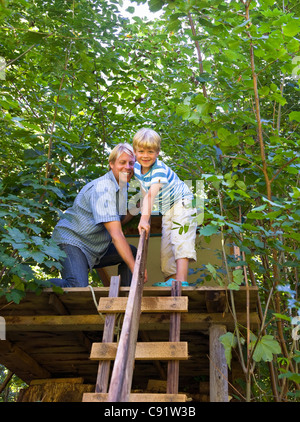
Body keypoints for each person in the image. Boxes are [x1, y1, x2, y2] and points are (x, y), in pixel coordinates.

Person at [49, 143, 141, 288]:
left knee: (131, 253)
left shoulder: (122, 186)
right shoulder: (103, 188)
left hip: (94, 247)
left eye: (131, 163)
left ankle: (126, 298)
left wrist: (140, 203)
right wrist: (135, 268)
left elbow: (119, 221)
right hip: (73, 241)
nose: (127, 167)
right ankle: (34, 286)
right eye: (122, 162)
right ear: (111, 164)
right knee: (76, 287)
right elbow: (116, 234)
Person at [133, 128, 197, 287]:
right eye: (141, 151)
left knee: (180, 237)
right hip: (168, 208)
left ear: (158, 152)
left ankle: (181, 280)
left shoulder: (159, 170)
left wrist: (144, 219)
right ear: (135, 152)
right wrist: (143, 211)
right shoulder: (136, 168)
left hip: (183, 202)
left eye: (150, 151)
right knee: (167, 242)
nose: (145, 155)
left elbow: (151, 195)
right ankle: (172, 279)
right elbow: (144, 191)